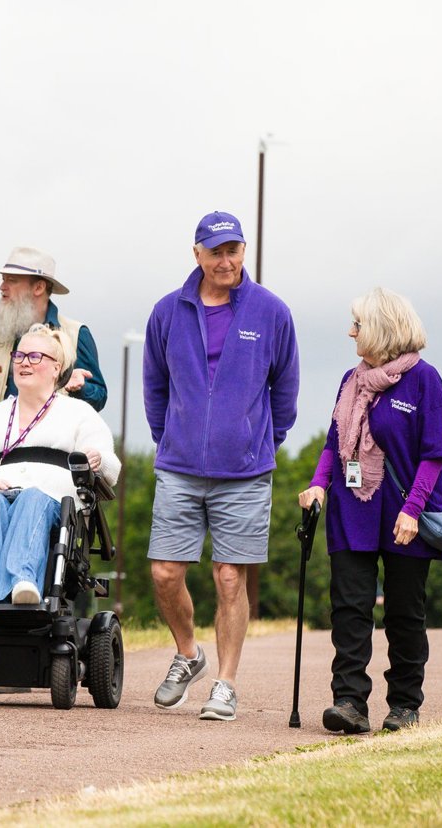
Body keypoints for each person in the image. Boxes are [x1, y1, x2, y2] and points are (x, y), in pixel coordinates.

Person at [143, 211, 299, 721]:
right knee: (165, 573)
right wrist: (170, 440)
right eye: (215, 251)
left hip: (246, 473)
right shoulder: (167, 312)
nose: (225, 260)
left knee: (230, 577)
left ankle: (225, 684)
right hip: (180, 467)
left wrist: (259, 444)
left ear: (243, 251)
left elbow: (285, 391)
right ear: (197, 255)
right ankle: (189, 655)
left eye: (233, 250)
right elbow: (154, 386)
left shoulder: (271, 312)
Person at [299, 288, 442, 734]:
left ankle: (405, 705)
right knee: (349, 607)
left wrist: (413, 509)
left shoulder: (425, 380)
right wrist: (316, 485)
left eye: (358, 324)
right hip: (353, 509)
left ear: (382, 327)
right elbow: (334, 443)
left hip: (407, 514)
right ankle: (349, 702)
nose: (351, 332)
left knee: (404, 612)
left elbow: (435, 454)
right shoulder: (352, 380)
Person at [0, 325, 120, 615]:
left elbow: (111, 469)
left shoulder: (78, 413)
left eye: (35, 356)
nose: (24, 362)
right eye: (19, 355)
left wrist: (99, 459)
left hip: (54, 506)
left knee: (32, 498)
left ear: (55, 368)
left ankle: (22, 584)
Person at [0, 246, 106, 412]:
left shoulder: (76, 334)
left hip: (53, 437)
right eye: (3, 279)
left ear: (39, 287)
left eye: (11, 280)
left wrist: (79, 388)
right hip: (1, 438)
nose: (2, 287)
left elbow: (99, 399)